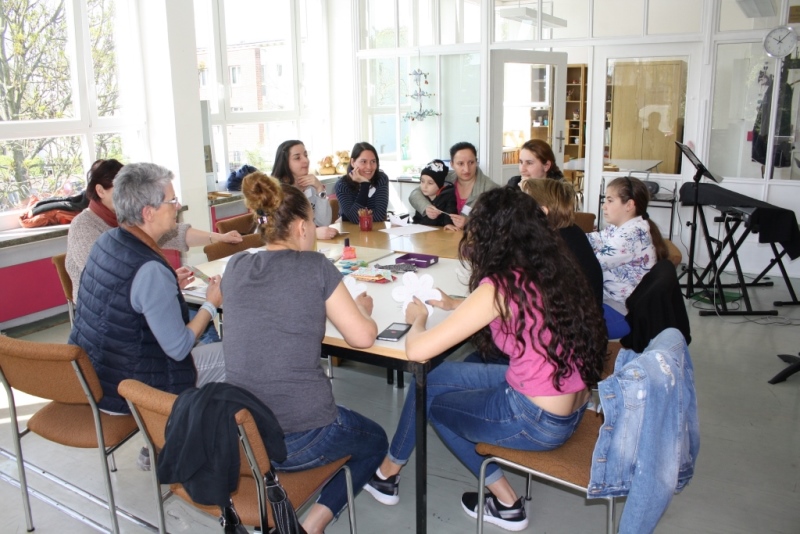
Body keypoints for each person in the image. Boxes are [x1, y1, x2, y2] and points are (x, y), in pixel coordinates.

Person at [363, 187, 607, 532]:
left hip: (538, 420)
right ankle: (387, 473)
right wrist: (457, 305)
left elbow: (417, 351)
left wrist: (417, 319)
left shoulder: (500, 286)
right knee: (434, 379)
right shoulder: (552, 266)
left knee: (433, 404)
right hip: (571, 402)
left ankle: (506, 503)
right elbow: (521, 311)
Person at [222, 171, 388, 534]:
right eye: (313, 221)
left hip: (244, 438)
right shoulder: (316, 267)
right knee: (376, 440)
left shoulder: (236, 266)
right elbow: (363, 338)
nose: (314, 229)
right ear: (300, 228)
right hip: (300, 435)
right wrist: (364, 312)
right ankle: (312, 526)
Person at [69, 163, 226, 418]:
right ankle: (196, 430)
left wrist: (165, 289)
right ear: (148, 213)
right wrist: (211, 303)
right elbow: (179, 348)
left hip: (95, 378)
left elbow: (123, 300)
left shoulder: (106, 241)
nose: (178, 206)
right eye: (172, 200)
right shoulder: (150, 269)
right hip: (133, 391)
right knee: (239, 355)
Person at [66, 158, 243, 301]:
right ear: (100, 190)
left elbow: (175, 234)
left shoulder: (126, 217)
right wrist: (163, 282)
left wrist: (218, 237)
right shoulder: (83, 226)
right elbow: (109, 279)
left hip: (136, 300)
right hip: (104, 308)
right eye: (119, 189)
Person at [587, 176, 669, 340]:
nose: (604, 206)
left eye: (610, 200)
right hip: (611, 302)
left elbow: (592, 265)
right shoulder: (620, 228)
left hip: (621, 312)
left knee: (560, 322)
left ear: (629, 205)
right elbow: (593, 239)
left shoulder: (632, 235)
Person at [521, 178, 603, 307]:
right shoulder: (570, 231)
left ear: (542, 211)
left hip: (576, 315)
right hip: (583, 311)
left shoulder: (553, 243)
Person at [409, 141, 498, 230]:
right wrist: (426, 207)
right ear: (452, 164)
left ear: (476, 162)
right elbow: (415, 193)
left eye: (471, 162)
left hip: (473, 238)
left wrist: (469, 223)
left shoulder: (491, 189)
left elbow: (497, 223)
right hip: (441, 236)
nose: (466, 169)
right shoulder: (444, 178)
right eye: (460, 163)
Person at [272, 140, 339, 239]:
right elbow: (276, 231)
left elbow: (323, 223)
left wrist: (320, 188)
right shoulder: (276, 192)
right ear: (285, 163)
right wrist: (312, 234)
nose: (306, 160)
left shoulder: (311, 186)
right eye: (297, 158)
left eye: (306, 155)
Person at [333, 142, 389, 223]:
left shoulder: (381, 179)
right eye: (363, 161)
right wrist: (365, 185)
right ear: (353, 162)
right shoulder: (342, 185)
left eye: (373, 161)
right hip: (349, 229)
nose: (369, 167)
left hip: (375, 229)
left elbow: (380, 215)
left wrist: (345, 217)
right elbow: (355, 218)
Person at [411, 159, 456, 228]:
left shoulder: (448, 195)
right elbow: (417, 219)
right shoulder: (421, 196)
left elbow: (450, 212)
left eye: (430, 183)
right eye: (422, 181)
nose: (424, 186)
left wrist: (448, 224)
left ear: (440, 185)